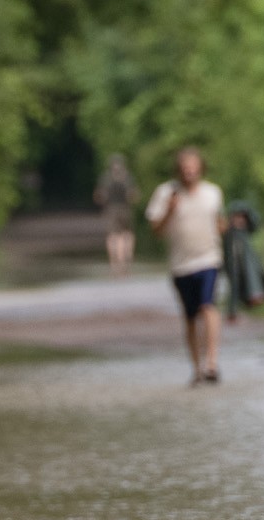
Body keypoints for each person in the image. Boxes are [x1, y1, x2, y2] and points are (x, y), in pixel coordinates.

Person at [146, 146, 226, 384]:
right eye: (185, 168)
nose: (189, 172)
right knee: (190, 316)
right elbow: (157, 231)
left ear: (201, 169)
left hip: (209, 258)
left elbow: (220, 224)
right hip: (181, 264)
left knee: (208, 306)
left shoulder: (213, 193)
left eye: (193, 167)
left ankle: (212, 362)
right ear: (178, 171)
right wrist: (170, 211)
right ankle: (196, 367)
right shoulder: (165, 193)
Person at [93, 152, 138, 273]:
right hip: (125, 208)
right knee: (126, 234)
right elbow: (133, 195)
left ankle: (114, 259)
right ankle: (126, 256)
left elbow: (99, 196)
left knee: (113, 235)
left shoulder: (106, 178)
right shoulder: (127, 177)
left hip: (111, 209)